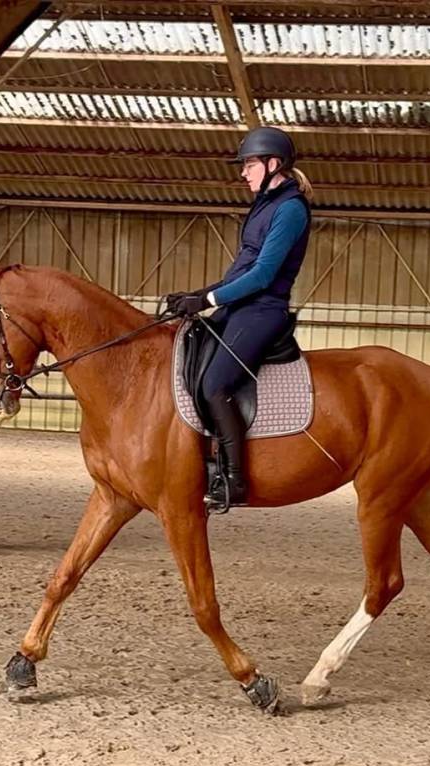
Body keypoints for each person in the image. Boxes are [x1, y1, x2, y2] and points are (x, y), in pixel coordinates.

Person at [167, 126, 314, 512]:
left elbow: (263, 275)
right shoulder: (263, 205)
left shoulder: (291, 209)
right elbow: (241, 271)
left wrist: (209, 299)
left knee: (216, 383)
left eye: (249, 164)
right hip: (239, 306)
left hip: (263, 311)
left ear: (273, 164)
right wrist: (199, 296)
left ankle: (233, 480)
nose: (243, 172)